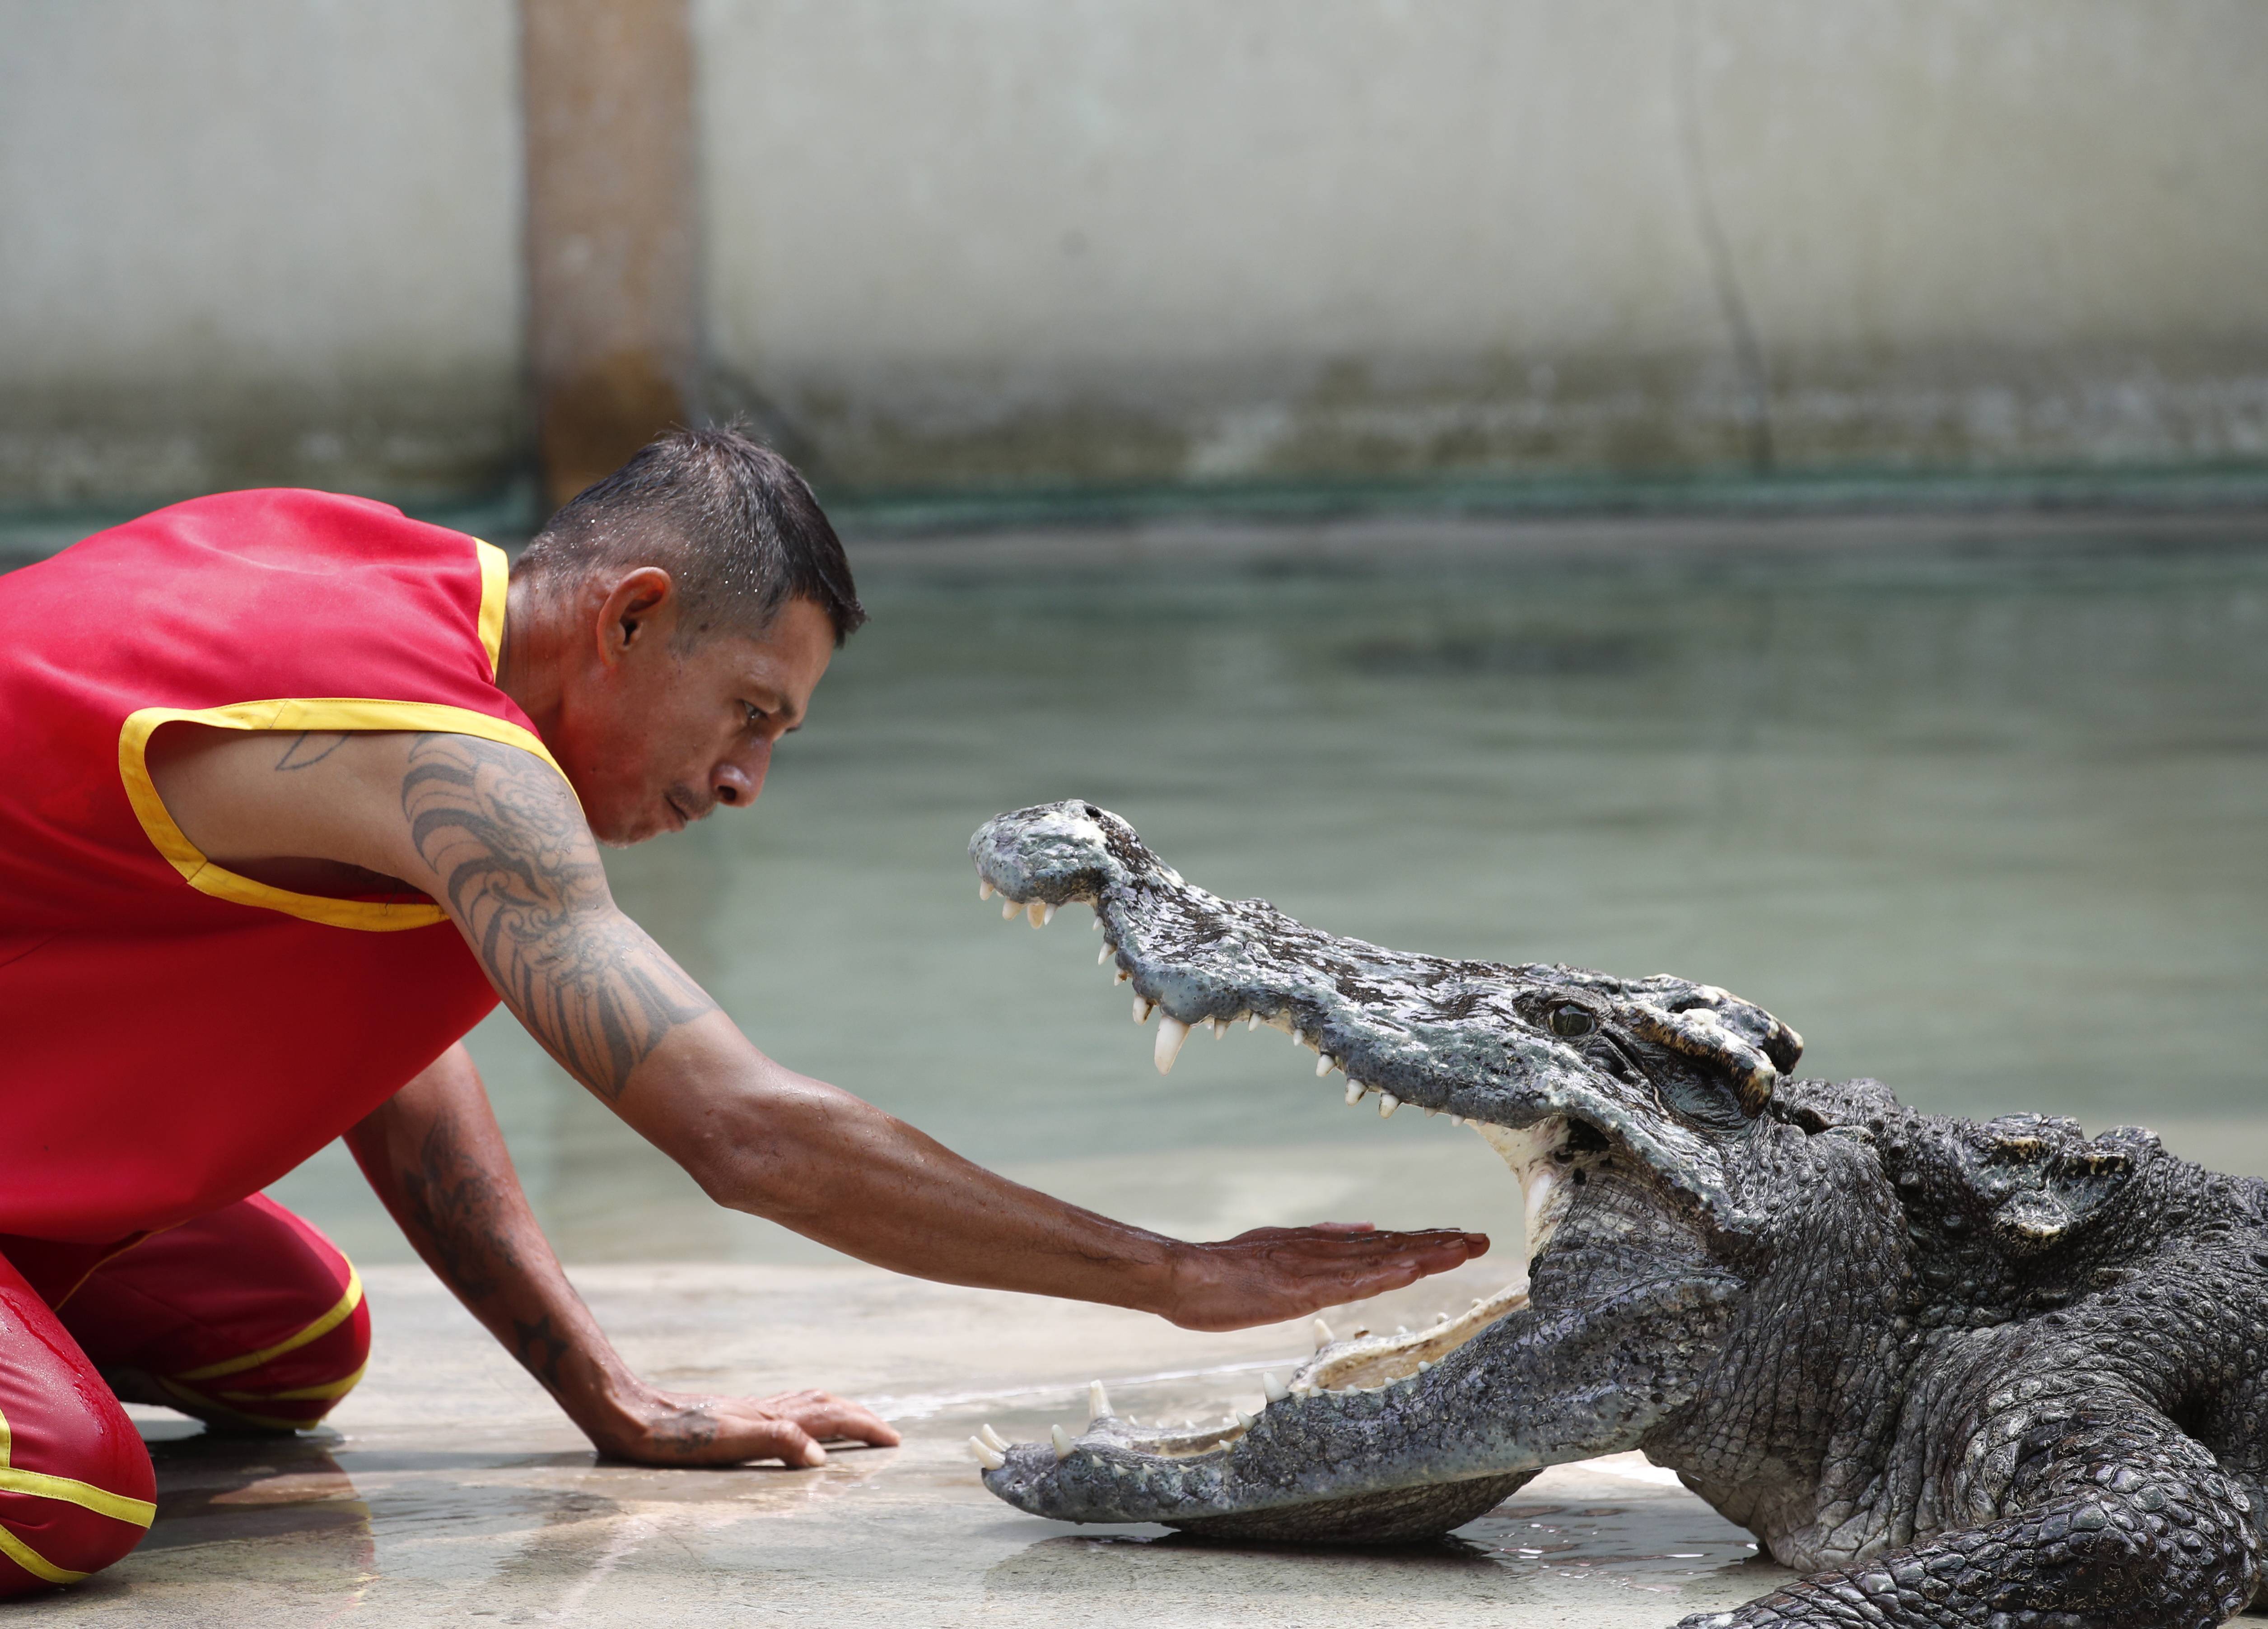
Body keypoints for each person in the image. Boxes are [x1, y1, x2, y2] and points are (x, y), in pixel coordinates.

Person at [0, 426, 1487, 1593]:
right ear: (634, 617)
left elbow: (388, 1023)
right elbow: (742, 1132)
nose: (742, 785)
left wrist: (603, 1391)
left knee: (298, 1341)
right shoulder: (455, 765)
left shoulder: (403, 593)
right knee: (70, 1492)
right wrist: (1171, 1274)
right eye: (751, 717)